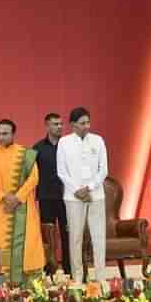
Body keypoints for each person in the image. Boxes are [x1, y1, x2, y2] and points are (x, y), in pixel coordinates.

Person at [0, 119, 45, 283]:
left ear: (13, 134)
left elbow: (33, 178)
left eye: (5, 133)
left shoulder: (26, 154)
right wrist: (4, 197)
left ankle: (32, 287)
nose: (1, 137)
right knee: (4, 245)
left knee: (29, 245)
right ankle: (7, 288)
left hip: (24, 208)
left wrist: (18, 197)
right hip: (2, 209)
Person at [57, 107, 108, 283]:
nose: (86, 126)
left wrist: (89, 188)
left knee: (98, 236)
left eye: (88, 122)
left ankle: (101, 278)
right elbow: (62, 172)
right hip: (73, 197)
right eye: (82, 123)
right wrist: (78, 190)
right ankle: (77, 278)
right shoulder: (64, 142)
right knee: (75, 237)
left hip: (96, 195)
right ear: (72, 125)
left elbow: (104, 170)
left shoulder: (98, 140)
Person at [33, 113, 71, 275]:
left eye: (61, 124)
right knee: (48, 237)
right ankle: (49, 270)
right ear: (47, 126)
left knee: (67, 234)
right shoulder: (37, 148)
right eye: (55, 124)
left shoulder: (68, 147)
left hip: (67, 197)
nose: (59, 127)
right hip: (46, 198)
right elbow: (30, 173)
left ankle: (69, 270)